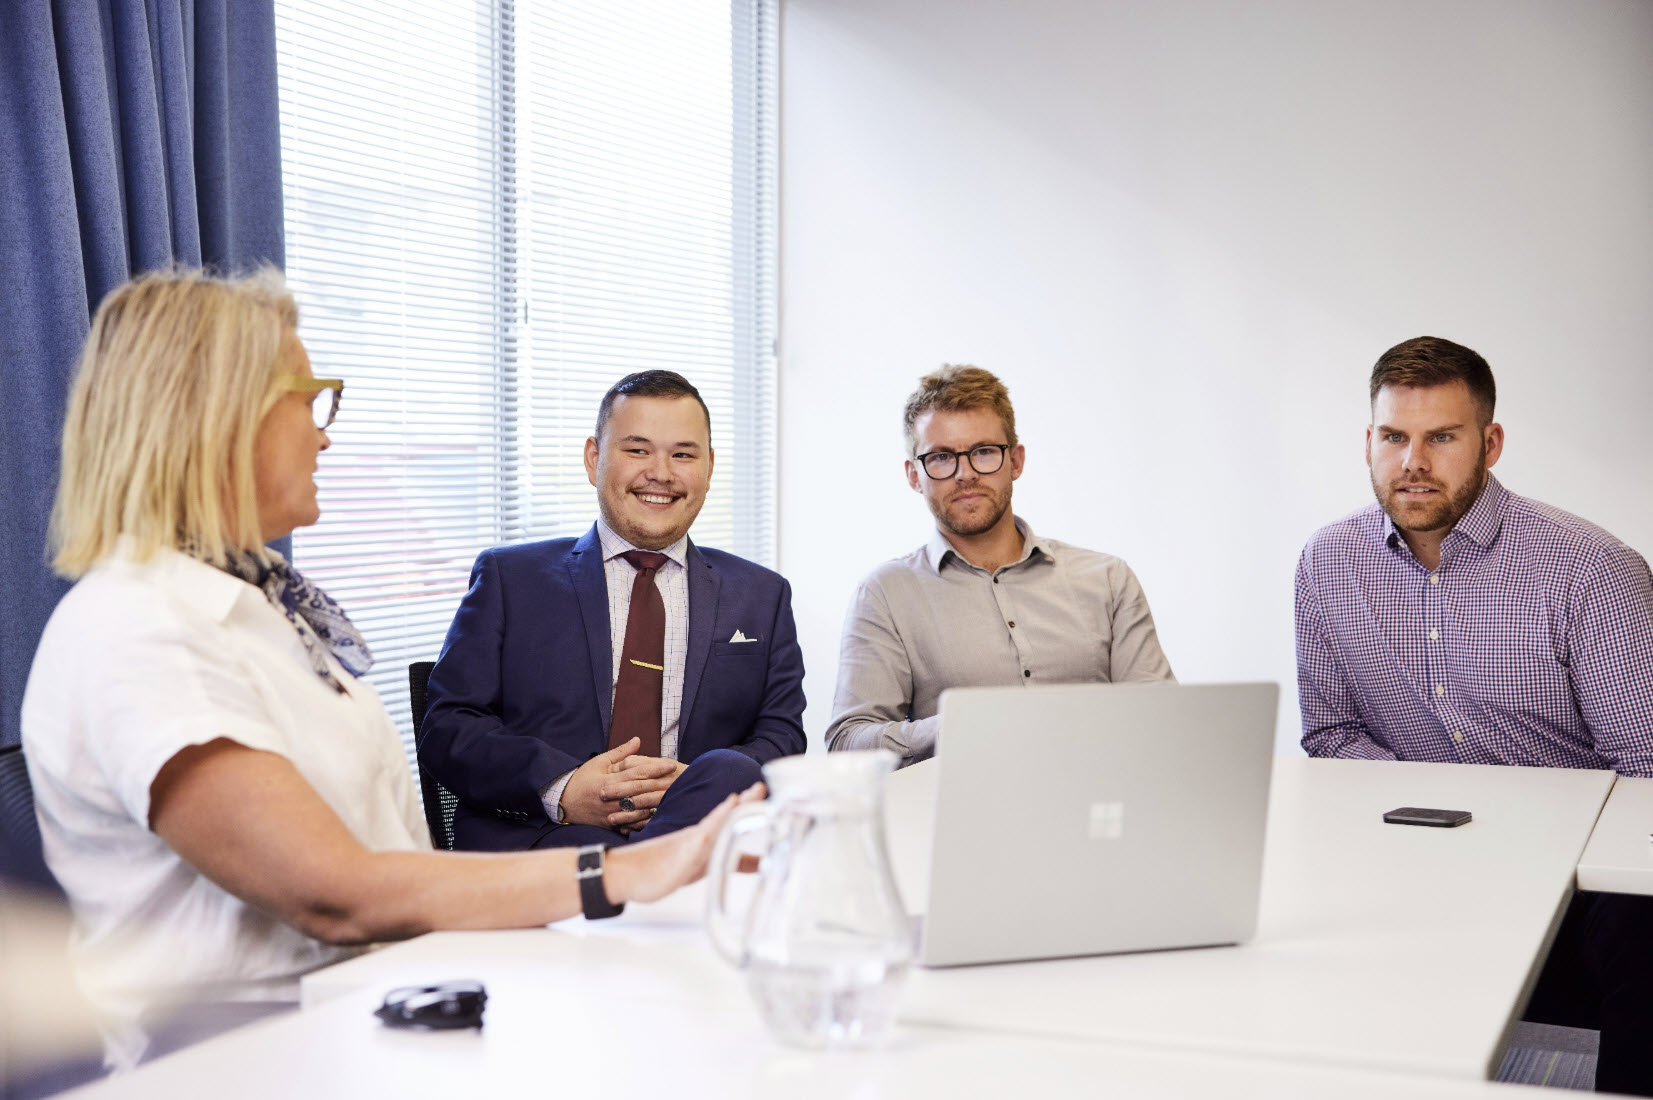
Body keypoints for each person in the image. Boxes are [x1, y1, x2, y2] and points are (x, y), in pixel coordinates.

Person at [20, 270, 756, 1073]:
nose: (324, 434)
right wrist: (625, 871)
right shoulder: (141, 628)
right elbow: (336, 891)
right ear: (223, 417)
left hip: (375, 1006)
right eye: (310, 399)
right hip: (246, 1056)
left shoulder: (257, 609)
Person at [1294, 335, 1653, 1095]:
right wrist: (1437, 817)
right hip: (1411, 851)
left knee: (1646, 929)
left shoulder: (1591, 568)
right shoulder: (1325, 563)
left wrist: (1512, 829)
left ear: (1488, 442)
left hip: (1572, 878)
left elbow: (1645, 764)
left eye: (1441, 437)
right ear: (1368, 442)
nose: (1412, 461)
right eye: (1393, 437)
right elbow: (1328, 736)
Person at [419, 370, 806, 851]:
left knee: (728, 770)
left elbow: (783, 737)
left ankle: (647, 865)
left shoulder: (762, 594)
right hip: (548, 841)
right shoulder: (510, 579)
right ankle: (642, 870)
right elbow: (449, 728)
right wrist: (562, 789)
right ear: (593, 458)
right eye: (637, 449)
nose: (661, 473)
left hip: (694, 833)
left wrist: (689, 785)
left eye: (683, 454)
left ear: (709, 467)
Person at [825, 365, 1173, 766]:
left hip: (1104, 806)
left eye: (984, 452)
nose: (966, 473)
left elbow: (1160, 715)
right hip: (966, 817)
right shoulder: (886, 593)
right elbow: (848, 740)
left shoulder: (1109, 580)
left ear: (1016, 461)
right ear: (914, 475)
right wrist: (959, 725)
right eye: (941, 457)